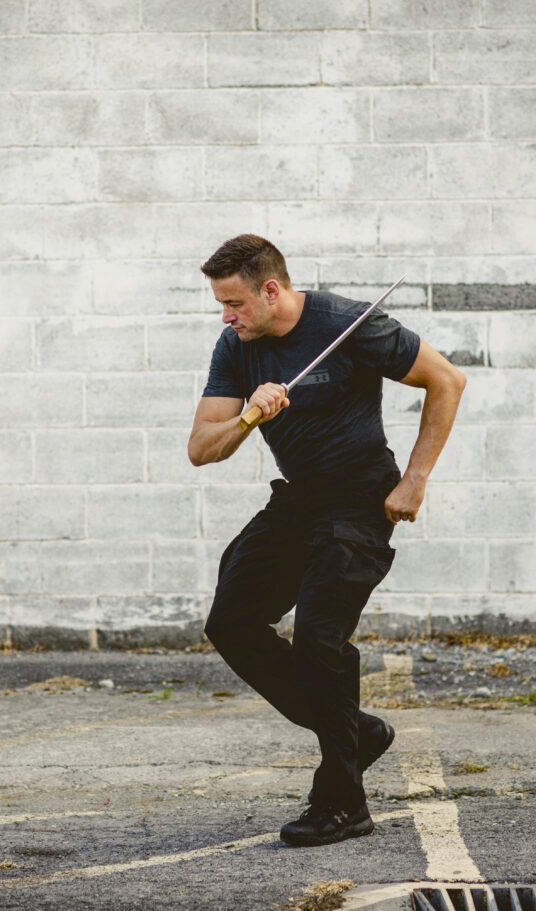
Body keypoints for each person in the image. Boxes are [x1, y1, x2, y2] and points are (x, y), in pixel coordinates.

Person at [188, 234, 466, 847]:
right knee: (231, 622)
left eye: (234, 303)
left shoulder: (349, 324)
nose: (226, 316)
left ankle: (343, 801)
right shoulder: (236, 346)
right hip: (300, 499)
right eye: (221, 305)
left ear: (270, 290)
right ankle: (357, 733)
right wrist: (248, 416)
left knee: (319, 638)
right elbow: (200, 448)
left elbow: (447, 380)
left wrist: (415, 479)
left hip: (362, 496)